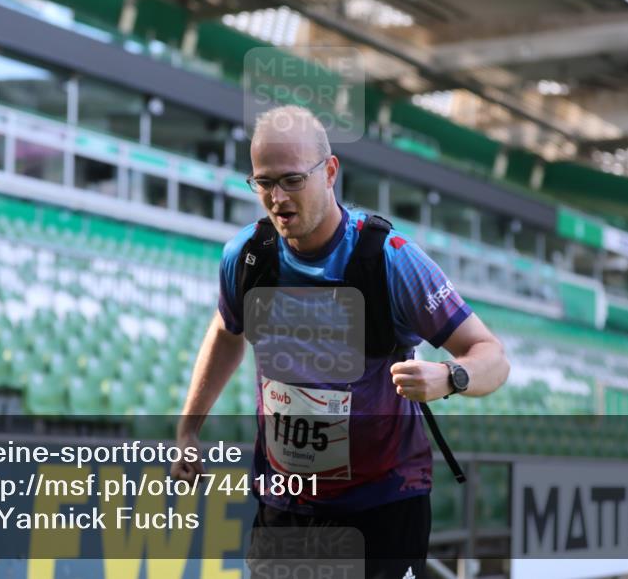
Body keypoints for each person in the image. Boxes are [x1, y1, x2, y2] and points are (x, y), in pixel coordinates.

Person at [172, 105, 510, 578]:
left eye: (293, 180)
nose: (277, 198)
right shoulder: (248, 256)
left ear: (330, 172)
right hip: (283, 505)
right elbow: (227, 332)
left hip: (381, 506)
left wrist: (449, 376)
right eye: (264, 182)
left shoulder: (391, 260)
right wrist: (189, 428)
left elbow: (492, 356)